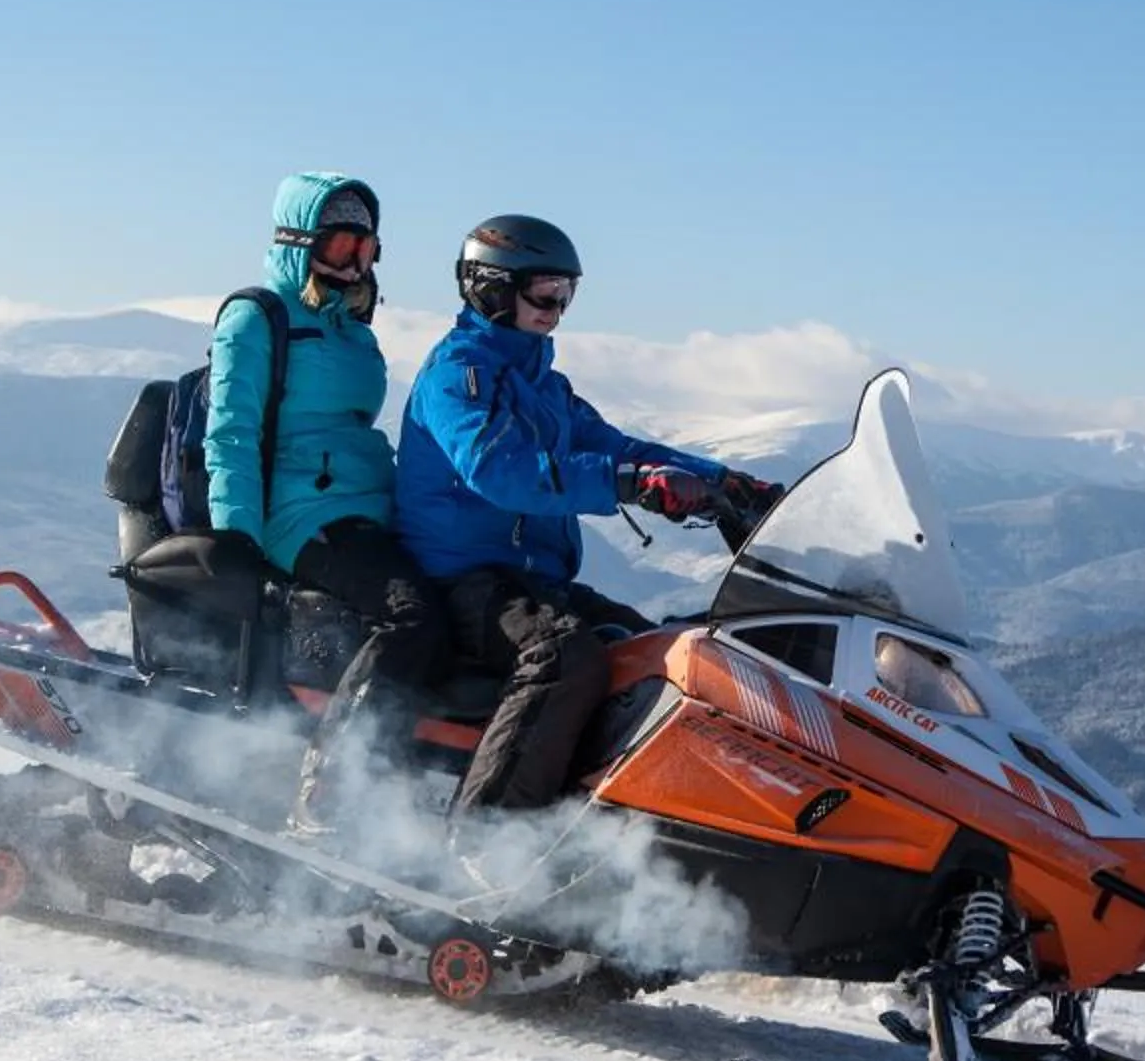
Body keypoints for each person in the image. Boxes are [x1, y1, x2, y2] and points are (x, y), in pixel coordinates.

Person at [396, 214, 783, 817]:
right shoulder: (458, 373)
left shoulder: (545, 385)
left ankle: (597, 827)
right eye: (544, 292)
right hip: (464, 577)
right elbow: (498, 470)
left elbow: (618, 447)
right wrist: (625, 486)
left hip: (531, 579)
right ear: (491, 287)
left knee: (657, 650)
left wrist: (723, 481)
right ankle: (481, 839)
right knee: (563, 656)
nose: (556, 308)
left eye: (566, 294)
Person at [203, 172, 447, 834]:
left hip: (361, 512)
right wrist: (236, 544)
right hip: (298, 515)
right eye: (341, 244)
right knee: (410, 614)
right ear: (298, 242)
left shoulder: (350, 329)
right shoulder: (257, 316)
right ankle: (338, 785)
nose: (356, 261)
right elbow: (229, 433)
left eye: (367, 248)